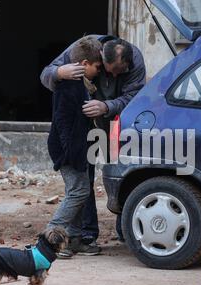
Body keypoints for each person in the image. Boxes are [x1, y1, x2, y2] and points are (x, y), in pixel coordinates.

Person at [41, 35, 146, 245]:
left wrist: (107, 106)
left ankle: (124, 230)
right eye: (105, 69)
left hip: (117, 125)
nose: (112, 74)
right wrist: (60, 72)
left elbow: (135, 97)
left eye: (119, 71)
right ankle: (83, 234)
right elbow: (46, 75)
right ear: (92, 62)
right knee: (82, 184)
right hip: (81, 135)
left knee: (123, 175)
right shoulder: (83, 50)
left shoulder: (135, 61)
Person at [47, 36, 103, 258]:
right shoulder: (69, 86)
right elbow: (62, 121)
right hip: (68, 151)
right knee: (78, 191)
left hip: (79, 149)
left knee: (81, 191)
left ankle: (74, 240)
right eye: (97, 66)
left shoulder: (82, 85)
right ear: (84, 65)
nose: (100, 70)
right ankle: (50, 237)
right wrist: (69, 154)